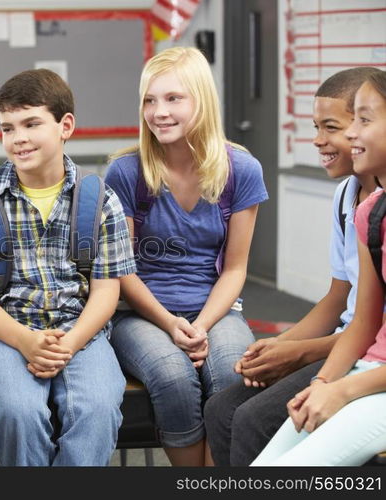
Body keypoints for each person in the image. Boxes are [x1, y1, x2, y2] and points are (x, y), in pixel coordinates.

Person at [0, 69, 136, 466]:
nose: (19, 138)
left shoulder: (99, 200)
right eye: (8, 128)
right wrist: (25, 340)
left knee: (96, 410)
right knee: (19, 412)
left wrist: (74, 340)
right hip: (2, 333)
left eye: (31, 124)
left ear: (66, 126)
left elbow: (106, 289)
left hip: (81, 332)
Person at [204, 67, 381, 466]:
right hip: (348, 344)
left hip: (365, 355)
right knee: (221, 409)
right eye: (316, 126)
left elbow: (371, 332)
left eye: (331, 127)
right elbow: (340, 299)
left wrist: (300, 354)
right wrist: (278, 347)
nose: (319, 140)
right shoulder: (350, 198)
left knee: (250, 419)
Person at [104, 46, 268, 466]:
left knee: (233, 373)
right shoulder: (126, 172)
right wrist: (171, 324)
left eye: (174, 98)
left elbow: (234, 269)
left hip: (215, 309)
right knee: (173, 376)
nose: (159, 112)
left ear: (202, 100)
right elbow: (121, 272)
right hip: (139, 313)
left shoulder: (241, 170)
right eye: (149, 100)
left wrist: (200, 324)